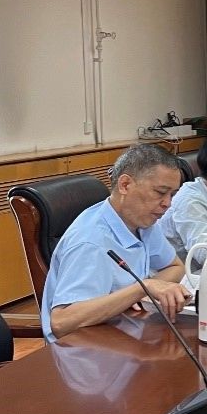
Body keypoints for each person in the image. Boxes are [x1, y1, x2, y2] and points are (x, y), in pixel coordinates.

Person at [41, 144, 188, 342]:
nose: (167, 204)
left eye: (172, 194)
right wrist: (141, 288)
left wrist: (137, 293)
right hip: (83, 348)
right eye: (160, 192)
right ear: (125, 185)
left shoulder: (142, 221)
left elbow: (175, 267)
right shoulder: (90, 242)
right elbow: (62, 323)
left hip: (123, 329)